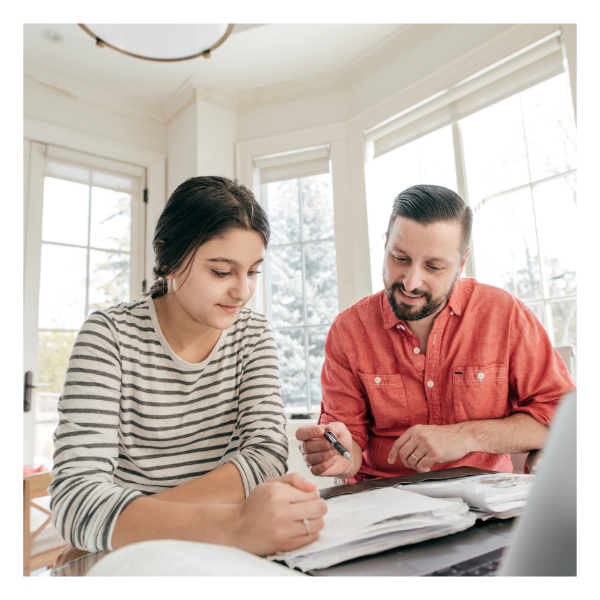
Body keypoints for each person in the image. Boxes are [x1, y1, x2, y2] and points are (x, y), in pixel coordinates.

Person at [49, 176, 327, 560]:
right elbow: (76, 498)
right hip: (138, 558)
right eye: (221, 271)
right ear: (167, 259)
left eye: (253, 272)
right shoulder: (108, 336)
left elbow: (266, 454)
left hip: (185, 546)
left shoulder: (253, 334)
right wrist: (234, 524)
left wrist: (128, 523)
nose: (243, 291)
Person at [296, 184, 575, 483]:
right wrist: (337, 454)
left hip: (485, 501)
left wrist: (466, 437)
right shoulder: (348, 330)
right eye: (400, 258)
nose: (411, 282)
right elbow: (348, 448)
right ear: (386, 245)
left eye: (434, 266)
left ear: (461, 263)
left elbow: (564, 418)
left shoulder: (504, 314)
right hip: (382, 506)